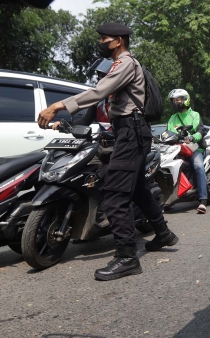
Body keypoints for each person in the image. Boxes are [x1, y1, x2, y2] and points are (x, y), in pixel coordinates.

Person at [37, 23, 179, 281]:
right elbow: (96, 106)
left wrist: (57, 106)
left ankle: (127, 257)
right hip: (129, 133)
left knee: (114, 194)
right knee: (136, 188)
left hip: (131, 133)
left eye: (105, 38)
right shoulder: (119, 64)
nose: (101, 42)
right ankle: (163, 233)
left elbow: (98, 92)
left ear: (119, 41)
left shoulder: (125, 63)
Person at [166, 89, 208, 214]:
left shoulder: (194, 115)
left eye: (178, 99)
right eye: (173, 100)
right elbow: (168, 133)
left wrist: (193, 137)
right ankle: (169, 198)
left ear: (185, 100)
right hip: (177, 148)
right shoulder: (172, 118)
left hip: (194, 148)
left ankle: (203, 200)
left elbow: (201, 131)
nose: (175, 102)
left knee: (198, 166)